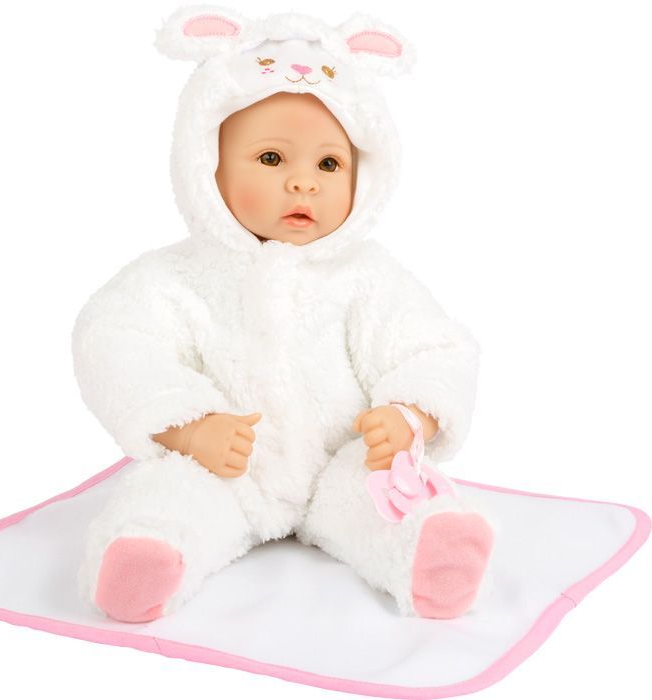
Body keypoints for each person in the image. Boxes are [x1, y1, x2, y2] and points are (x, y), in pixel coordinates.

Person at [73, 7, 494, 624]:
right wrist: (187, 427)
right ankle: (147, 556)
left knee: (388, 492)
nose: (304, 184)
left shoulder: (368, 275)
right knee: (170, 492)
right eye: (272, 159)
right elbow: (115, 343)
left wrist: (411, 415)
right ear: (205, 163)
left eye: (328, 164)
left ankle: (431, 554)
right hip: (223, 468)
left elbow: (432, 347)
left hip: (343, 459)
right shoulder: (175, 277)